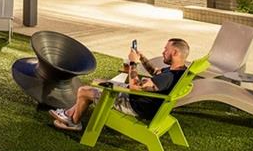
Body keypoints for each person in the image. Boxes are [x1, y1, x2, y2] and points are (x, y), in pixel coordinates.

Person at [49, 38, 191, 131]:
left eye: (166, 49)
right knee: (100, 82)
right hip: (144, 101)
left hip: (135, 105)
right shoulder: (178, 71)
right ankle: (68, 114)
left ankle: (74, 121)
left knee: (84, 91)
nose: (163, 52)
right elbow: (155, 72)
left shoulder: (168, 77)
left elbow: (135, 87)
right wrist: (141, 57)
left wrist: (133, 62)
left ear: (175, 52)